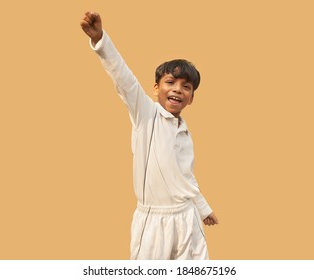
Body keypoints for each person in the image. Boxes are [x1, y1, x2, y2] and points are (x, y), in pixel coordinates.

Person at [80, 11, 219, 260]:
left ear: (192, 97)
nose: (177, 89)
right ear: (156, 88)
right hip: (154, 223)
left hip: (187, 218)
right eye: (171, 82)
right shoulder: (145, 115)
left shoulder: (185, 133)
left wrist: (203, 208)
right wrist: (101, 41)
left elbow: (185, 177)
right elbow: (124, 80)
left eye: (186, 86)